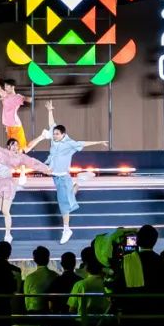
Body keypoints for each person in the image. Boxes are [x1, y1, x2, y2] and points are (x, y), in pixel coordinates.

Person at [24, 101, 107, 244]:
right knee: (69, 196)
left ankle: (67, 229)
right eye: (54, 134)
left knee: (63, 204)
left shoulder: (69, 143)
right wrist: (50, 110)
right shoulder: (54, 139)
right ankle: (79, 182)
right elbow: (52, 124)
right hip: (55, 176)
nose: (54, 135)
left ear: (63, 134)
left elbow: (83, 143)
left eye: (57, 134)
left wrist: (99, 142)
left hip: (62, 177)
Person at [0, 139, 52, 243]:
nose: (15, 147)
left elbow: (33, 162)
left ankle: (8, 234)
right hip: (0, 183)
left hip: (9, 184)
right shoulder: (0, 152)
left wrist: (46, 169)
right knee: (0, 208)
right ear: (8, 146)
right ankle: (16, 187)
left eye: (17, 145)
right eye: (13, 145)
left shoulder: (20, 157)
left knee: (5, 211)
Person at [0, 74, 28, 149]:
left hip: (15, 126)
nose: (5, 88)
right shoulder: (5, 95)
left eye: (7, 86)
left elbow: (26, 99)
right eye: (4, 86)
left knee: (20, 147)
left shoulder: (17, 97)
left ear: (12, 87)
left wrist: (29, 99)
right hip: (8, 126)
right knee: (12, 147)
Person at [23, 246, 58, 314]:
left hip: (33, 312)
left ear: (34, 260)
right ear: (48, 259)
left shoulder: (29, 278)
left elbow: (27, 299)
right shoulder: (55, 275)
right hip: (51, 313)